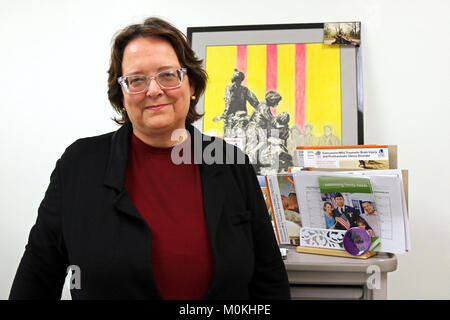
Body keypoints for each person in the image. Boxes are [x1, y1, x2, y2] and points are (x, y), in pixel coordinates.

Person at [9, 17, 290, 300]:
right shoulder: (79, 165)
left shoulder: (230, 163)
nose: (154, 90)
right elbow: (38, 276)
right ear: (122, 95)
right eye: (137, 80)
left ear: (191, 86)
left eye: (168, 75)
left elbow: (268, 279)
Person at [215, 68, 259, 137]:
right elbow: (228, 102)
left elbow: (254, 102)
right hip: (230, 117)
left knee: (241, 137)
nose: (237, 82)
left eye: (239, 80)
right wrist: (224, 115)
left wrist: (258, 111)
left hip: (241, 117)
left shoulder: (244, 90)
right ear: (233, 80)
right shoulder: (229, 88)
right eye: (236, 80)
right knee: (228, 137)